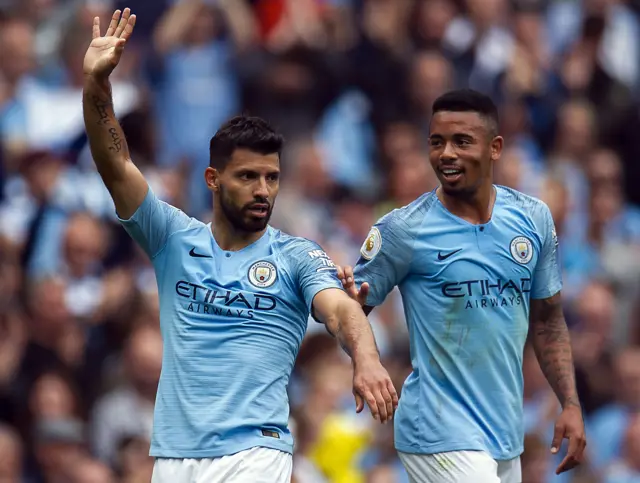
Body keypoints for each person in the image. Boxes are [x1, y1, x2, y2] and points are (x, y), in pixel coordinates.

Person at [81, 9, 398, 483]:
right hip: (174, 456)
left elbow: (340, 309)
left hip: (255, 452)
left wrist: (367, 360)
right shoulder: (173, 238)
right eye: (248, 177)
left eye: (272, 178)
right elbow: (114, 163)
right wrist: (96, 85)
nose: (263, 190)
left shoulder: (296, 256)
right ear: (213, 179)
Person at [338, 89, 587, 483]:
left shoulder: (532, 218)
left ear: (495, 148)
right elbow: (347, 310)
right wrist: (365, 359)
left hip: (504, 433)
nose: (446, 154)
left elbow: (548, 320)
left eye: (462, 142)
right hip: (436, 428)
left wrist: (570, 403)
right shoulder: (403, 229)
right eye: (437, 142)